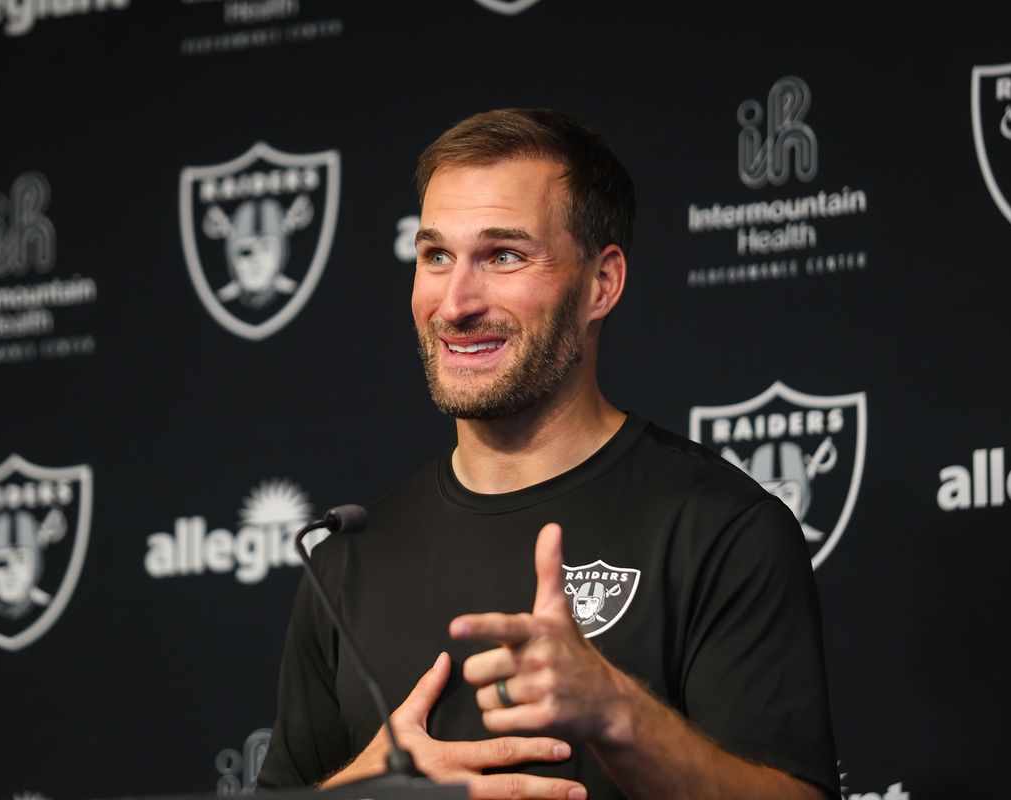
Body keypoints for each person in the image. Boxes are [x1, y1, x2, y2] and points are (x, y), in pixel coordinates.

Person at [257, 108, 838, 800]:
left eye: (504, 255)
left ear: (601, 285)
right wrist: (370, 788)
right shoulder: (345, 561)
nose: (455, 302)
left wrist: (616, 714)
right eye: (436, 255)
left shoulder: (721, 528)